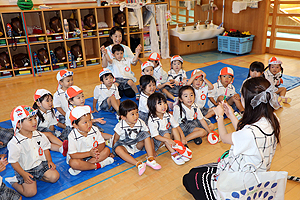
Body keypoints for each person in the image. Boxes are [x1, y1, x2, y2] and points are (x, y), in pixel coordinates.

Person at [183, 77, 281, 200]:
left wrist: (219, 116)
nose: (240, 98)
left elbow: (224, 138)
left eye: (242, 96)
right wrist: (230, 114)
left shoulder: (250, 133)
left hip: (239, 183)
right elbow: (243, 133)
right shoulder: (272, 119)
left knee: (189, 179)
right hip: (254, 173)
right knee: (194, 171)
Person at [6, 105, 60, 197]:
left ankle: (36, 177)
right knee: (30, 193)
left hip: (39, 164)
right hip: (25, 169)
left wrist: (49, 161)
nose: (35, 122)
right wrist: (23, 174)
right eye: (30, 120)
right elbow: (14, 162)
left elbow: (45, 148)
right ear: (19, 124)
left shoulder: (39, 134)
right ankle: (13, 181)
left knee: (55, 177)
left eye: (35, 118)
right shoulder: (15, 143)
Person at [112, 100, 161, 176]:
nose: (136, 116)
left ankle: (150, 159)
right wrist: (114, 152)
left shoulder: (140, 122)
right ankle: (138, 164)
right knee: (118, 149)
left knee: (146, 134)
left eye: (137, 112)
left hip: (137, 144)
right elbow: (115, 139)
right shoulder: (120, 126)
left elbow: (148, 136)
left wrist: (153, 150)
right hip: (125, 145)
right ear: (123, 117)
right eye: (132, 114)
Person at [67, 106, 114, 176]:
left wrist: (96, 152)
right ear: (75, 125)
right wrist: (89, 153)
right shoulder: (72, 136)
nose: (89, 124)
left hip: (94, 156)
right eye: (85, 122)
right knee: (73, 163)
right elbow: (73, 155)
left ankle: (84, 167)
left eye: (90, 120)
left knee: (106, 150)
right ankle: (99, 165)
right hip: (80, 158)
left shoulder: (94, 129)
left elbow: (102, 143)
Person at [147, 93, 189, 165]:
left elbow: (177, 127)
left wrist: (183, 137)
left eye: (164, 103)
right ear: (153, 106)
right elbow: (155, 136)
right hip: (158, 141)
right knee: (166, 133)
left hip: (168, 139)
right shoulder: (152, 120)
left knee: (174, 129)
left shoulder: (168, 115)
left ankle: (179, 148)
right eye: (160, 104)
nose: (164, 106)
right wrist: (168, 140)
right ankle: (174, 154)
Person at [33, 89, 68, 156]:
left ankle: (62, 149)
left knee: (47, 142)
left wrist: (66, 127)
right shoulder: (35, 116)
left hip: (45, 134)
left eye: (51, 100)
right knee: (48, 136)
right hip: (35, 135)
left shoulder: (50, 111)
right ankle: (63, 145)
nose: (50, 103)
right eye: (47, 101)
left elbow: (53, 124)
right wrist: (50, 135)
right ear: (38, 103)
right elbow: (32, 131)